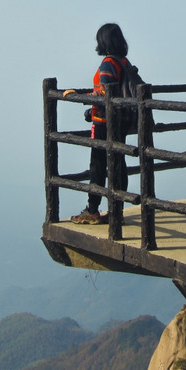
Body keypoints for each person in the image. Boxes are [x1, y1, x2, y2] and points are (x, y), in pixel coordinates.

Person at [65, 23, 133, 225]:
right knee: (118, 164)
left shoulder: (108, 64)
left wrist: (79, 96)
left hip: (104, 122)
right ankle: (117, 209)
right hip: (120, 122)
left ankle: (92, 210)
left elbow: (103, 93)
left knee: (97, 165)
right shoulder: (124, 62)